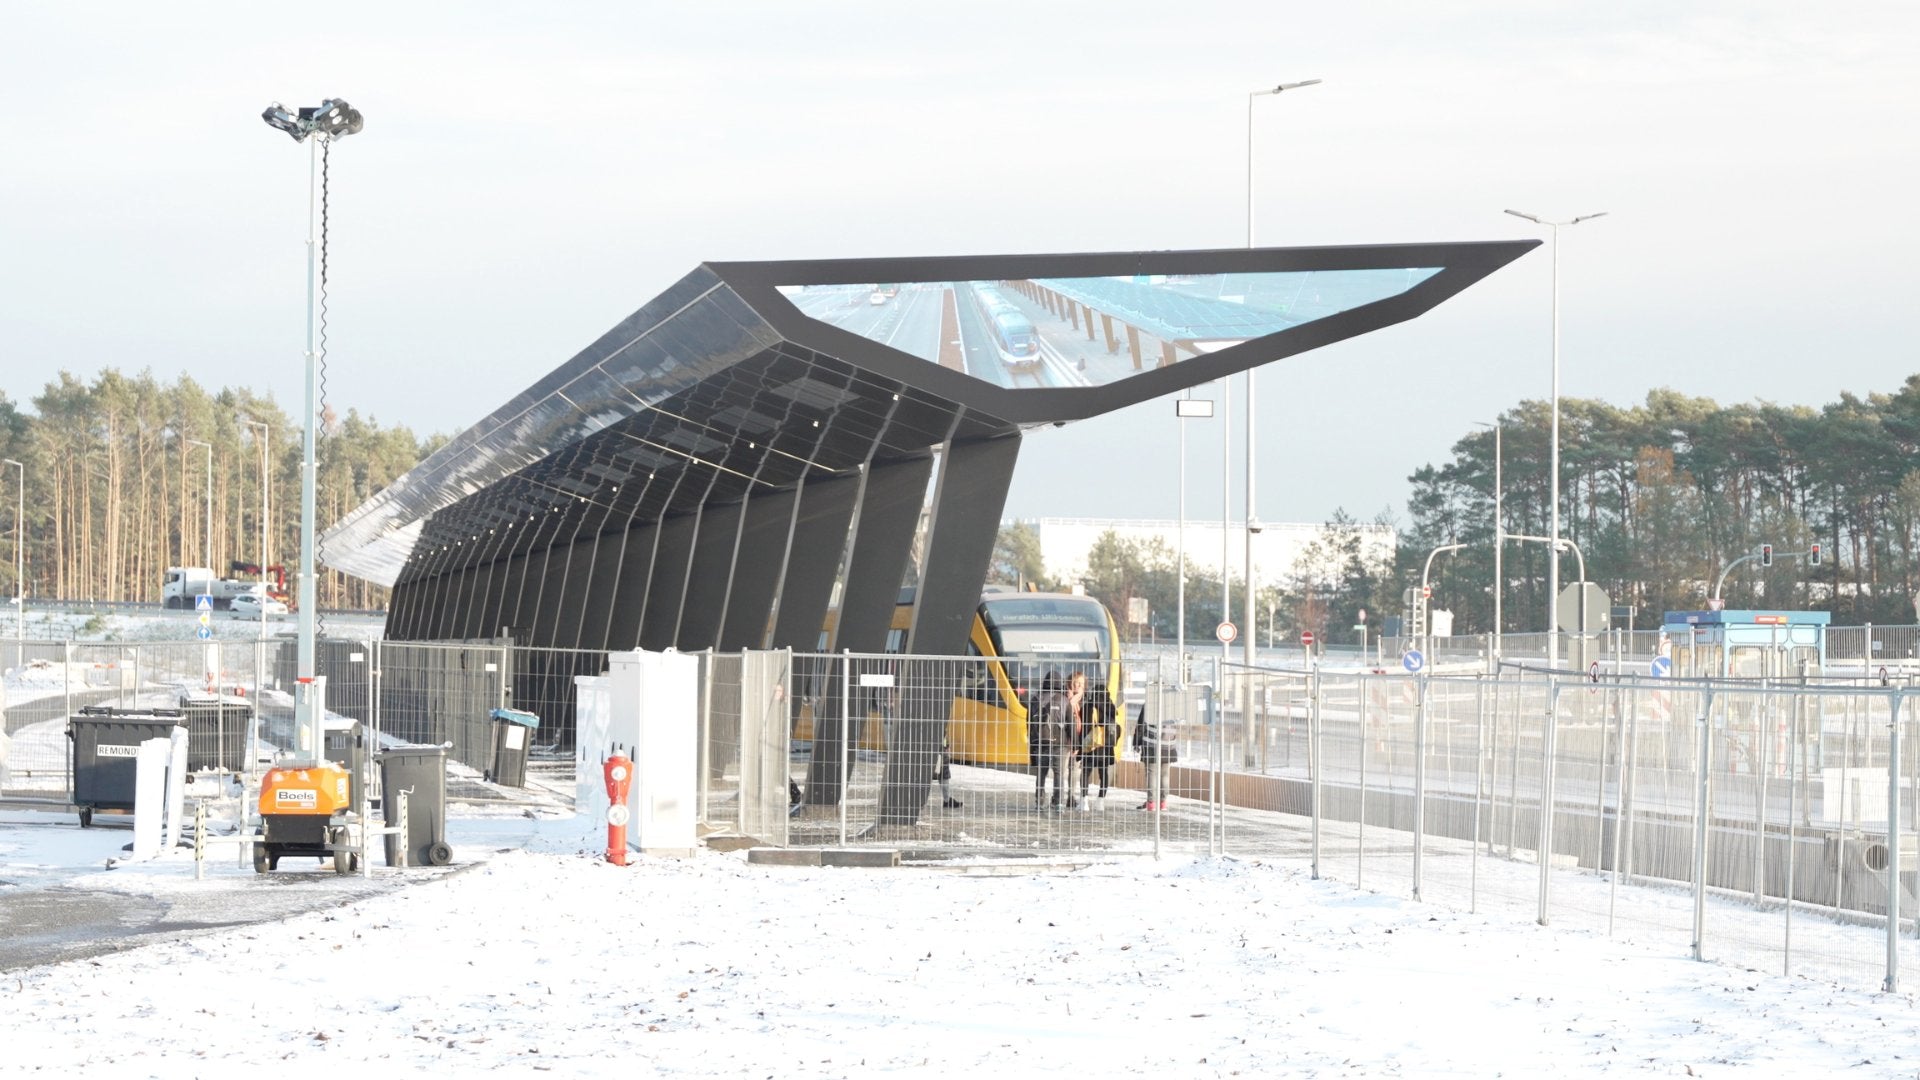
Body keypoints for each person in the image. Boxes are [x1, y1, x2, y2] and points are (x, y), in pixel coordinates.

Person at [1076, 680, 1120, 808]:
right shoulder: (1111, 708)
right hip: (1104, 747)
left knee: (1085, 772)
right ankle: (1100, 801)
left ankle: (1084, 801)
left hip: (1090, 745)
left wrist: (1079, 746)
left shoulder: (1087, 707)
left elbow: (1082, 729)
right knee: (1103, 773)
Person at [1132, 702, 1175, 810]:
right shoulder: (1172, 702)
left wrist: (1136, 742)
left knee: (1151, 773)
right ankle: (1163, 802)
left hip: (1151, 744)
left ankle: (1151, 803)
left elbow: (1141, 724)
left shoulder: (1150, 702)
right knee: (1165, 774)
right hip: (1167, 744)